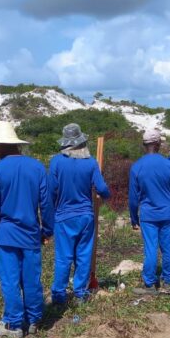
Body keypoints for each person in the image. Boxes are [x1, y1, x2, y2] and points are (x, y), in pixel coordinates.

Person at [0, 121, 54, 338]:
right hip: (31, 234)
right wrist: (47, 230)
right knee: (31, 278)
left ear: (1, 146)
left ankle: (13, 324)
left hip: (5, 236)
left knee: (10, 280)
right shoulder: (37, 167)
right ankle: (34, 320)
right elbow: (46, 203)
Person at [49, 123, 110, 305]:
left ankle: (59, 295)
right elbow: (102, 188)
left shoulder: (56, 162)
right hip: (85, 216)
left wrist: (50, 214)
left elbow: (51, 191)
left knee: (63, 257)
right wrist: (105, 196)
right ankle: (80, 294)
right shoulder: (91, 163)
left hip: (64, 216)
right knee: (83, 256)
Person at [129, 129, 170, 295]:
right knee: (168, 249)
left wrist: (133, 217)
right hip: (167, 214)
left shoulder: (137, 166)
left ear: (145, 145)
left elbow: (133, 198)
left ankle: (150, 285)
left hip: (148, 215)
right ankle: (168, 282)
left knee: (151, 249)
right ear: (158, 144)